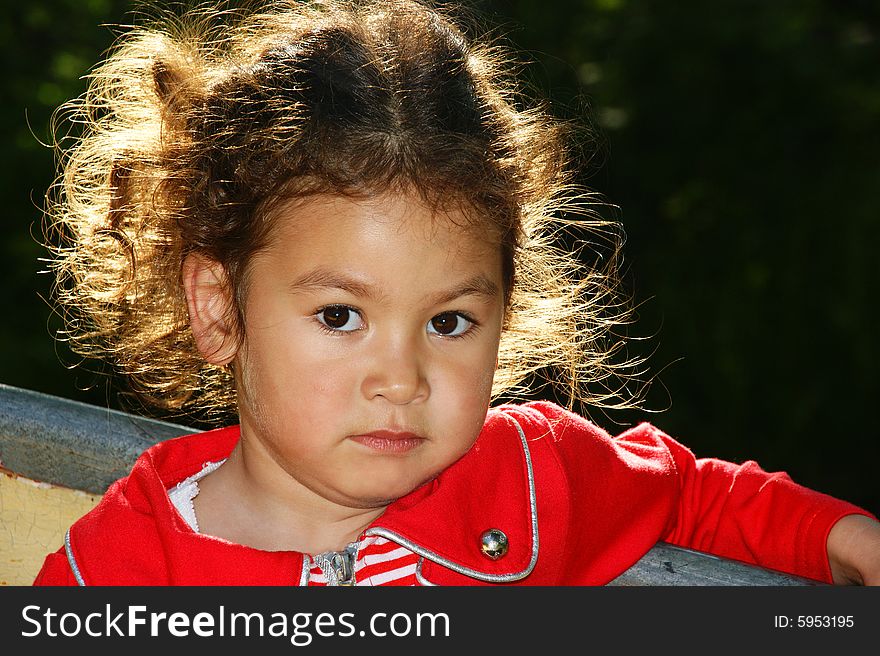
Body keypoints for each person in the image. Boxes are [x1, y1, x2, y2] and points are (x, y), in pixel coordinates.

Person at [34, 0, 879, 586]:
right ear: (221, 308)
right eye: (341, 316)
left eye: (449, 321)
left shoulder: (527, 478)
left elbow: (696, 498)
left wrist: (844, 541)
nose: (401, 378)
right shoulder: (126, 565)